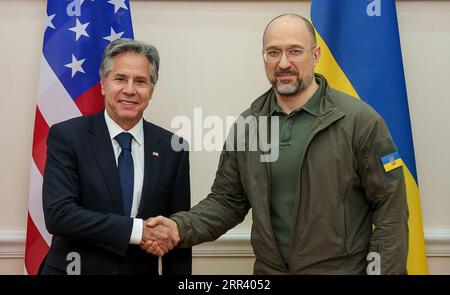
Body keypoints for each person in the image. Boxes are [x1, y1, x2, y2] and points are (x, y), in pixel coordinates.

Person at [144, 14, 409, 274]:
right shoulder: (248, 125)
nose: (283, 63)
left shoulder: (360, 121)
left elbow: (390, 209)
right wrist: (179, 227)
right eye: (273, 52)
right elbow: (227, 201)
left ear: (315, 56)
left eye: (294, 51)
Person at [40, 38, 191, 275]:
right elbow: (60, 215)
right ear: (103, 85)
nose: (129, 89)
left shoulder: (174, 148)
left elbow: (175, 232)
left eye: (141, 81)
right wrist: (138, 230)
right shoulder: (67, 136)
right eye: (120, 79)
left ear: (151, 91)